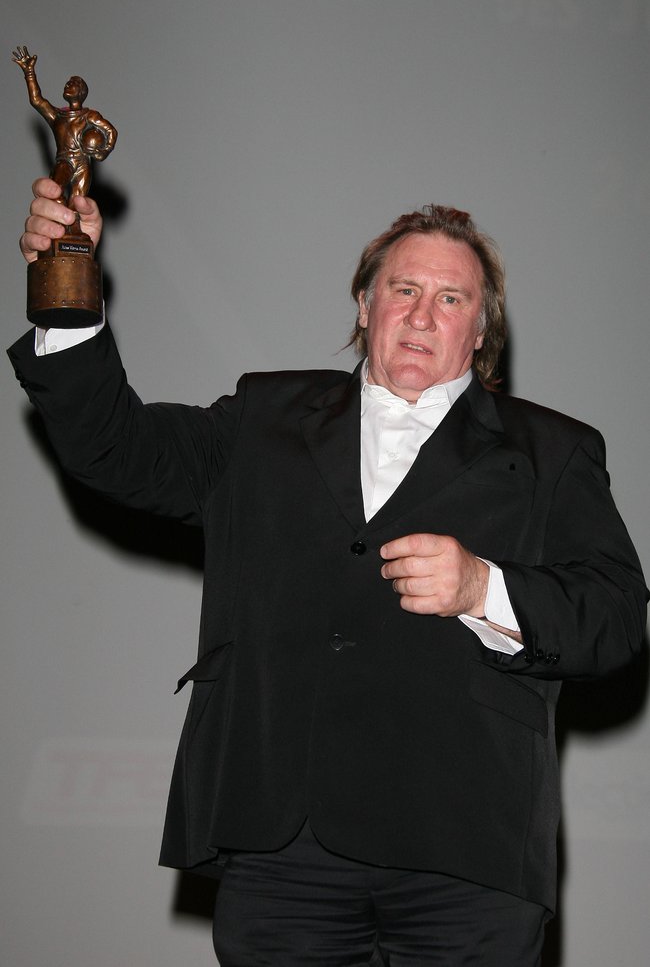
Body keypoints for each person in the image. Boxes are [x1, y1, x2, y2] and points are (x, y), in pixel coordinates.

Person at [10, 177, 648, 966]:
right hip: (284, 849)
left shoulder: (555, 451)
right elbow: (118, 449)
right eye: (403, 288)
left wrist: (484, 586)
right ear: (363, 305)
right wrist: (65, 289)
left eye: (452, 299)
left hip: (468, 849)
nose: (421, 313)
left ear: (481, 332)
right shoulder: (262, 417)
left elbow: (618, 615)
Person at [12, 47, 117, 204]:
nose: (68, 85)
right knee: (54, 192)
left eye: (73, 83)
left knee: (77, 205)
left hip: (83, 165)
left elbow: (110, 131)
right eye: (68, 82)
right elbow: (36, 100)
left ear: (81, 92)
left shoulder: (89, 116)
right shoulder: (57, 116)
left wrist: (104, 151)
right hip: (65, 162)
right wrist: (29, 73)